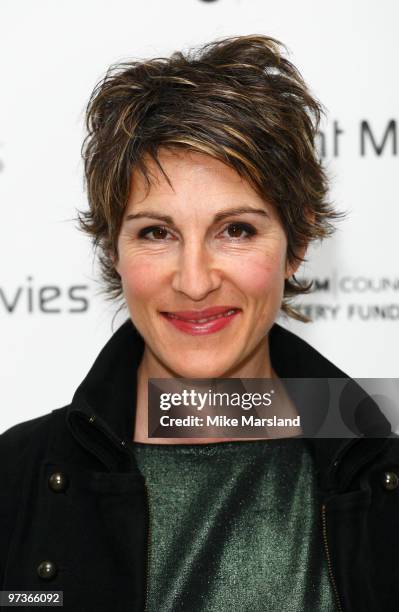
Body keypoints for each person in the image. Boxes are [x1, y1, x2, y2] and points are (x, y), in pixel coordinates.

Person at [0, 34, 397, 612]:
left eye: (236, 229)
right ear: (113, 249)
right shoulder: (15, 480)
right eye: (156, 233)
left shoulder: (380, 471)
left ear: (298, 243)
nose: (194, 280)